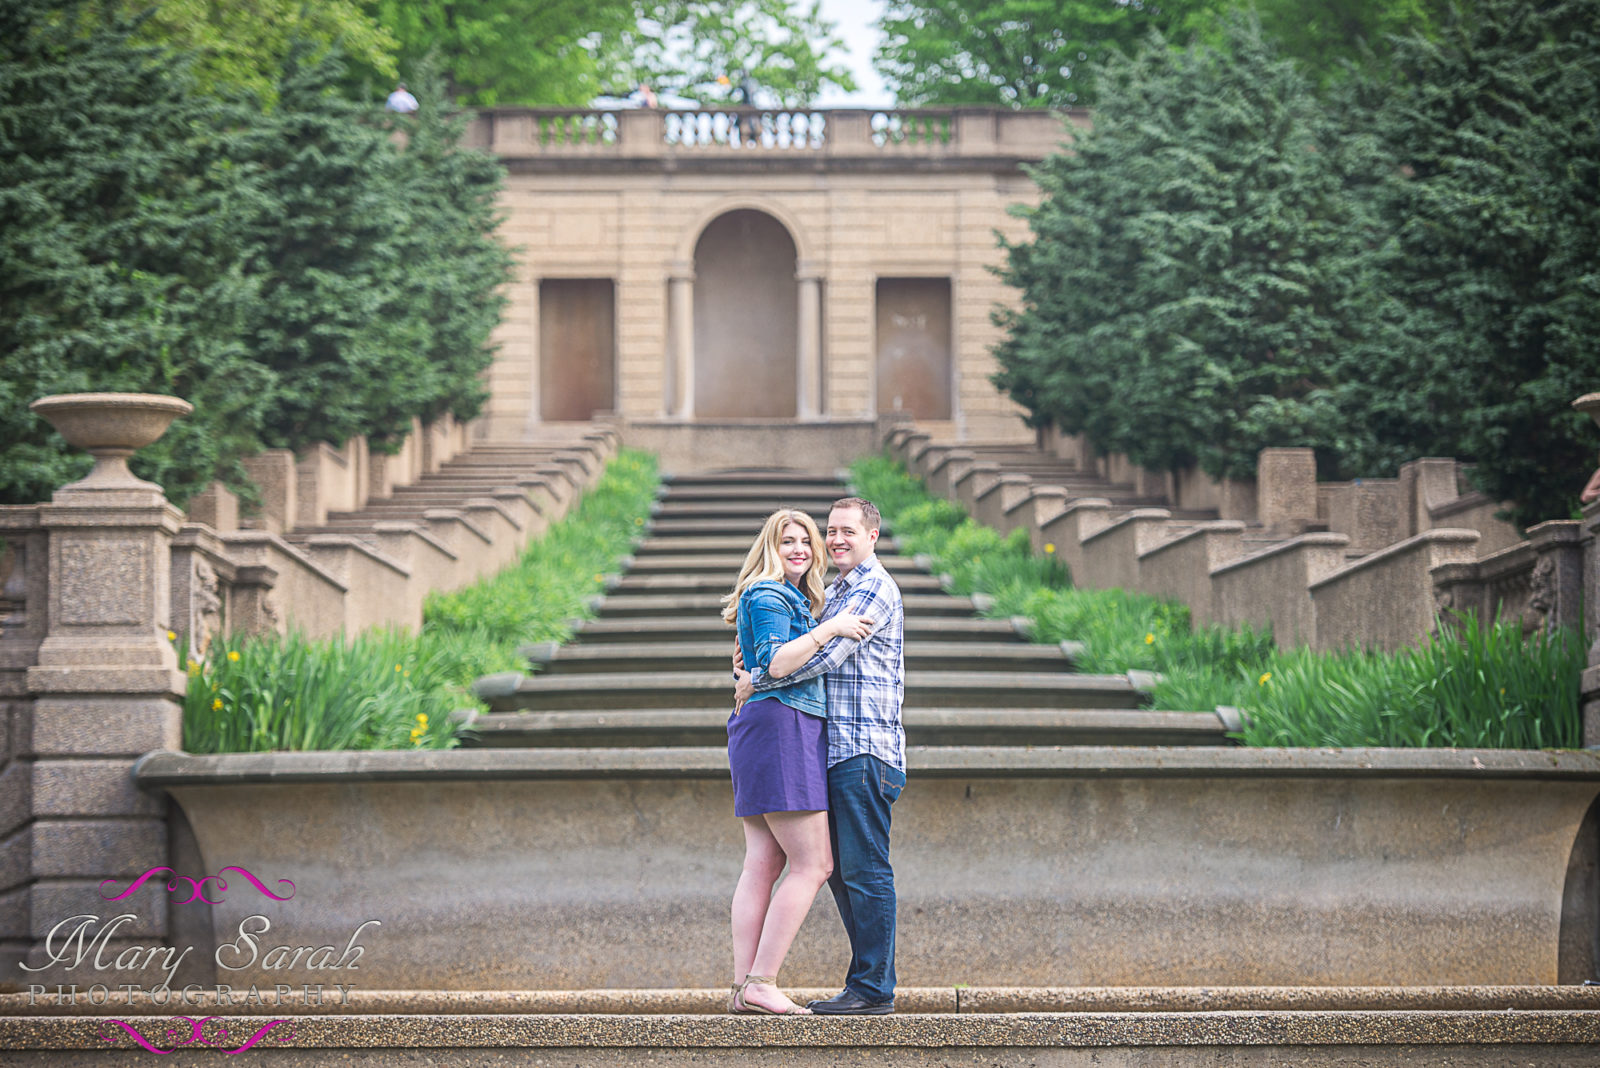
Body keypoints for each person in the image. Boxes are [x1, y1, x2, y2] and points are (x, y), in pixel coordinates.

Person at [735, 497, 905, 1015]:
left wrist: (755, 679)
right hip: (826, 746)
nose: (834, 540)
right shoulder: (829, 595)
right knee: (832, 869)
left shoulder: (872, 589)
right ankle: (760, 984)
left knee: (863, 870)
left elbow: (818, 657)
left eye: (845, 531)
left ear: (872, 535)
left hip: (864, 748)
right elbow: (786, 648)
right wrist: (760, 668)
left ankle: (872, 987)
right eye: (828, 531)